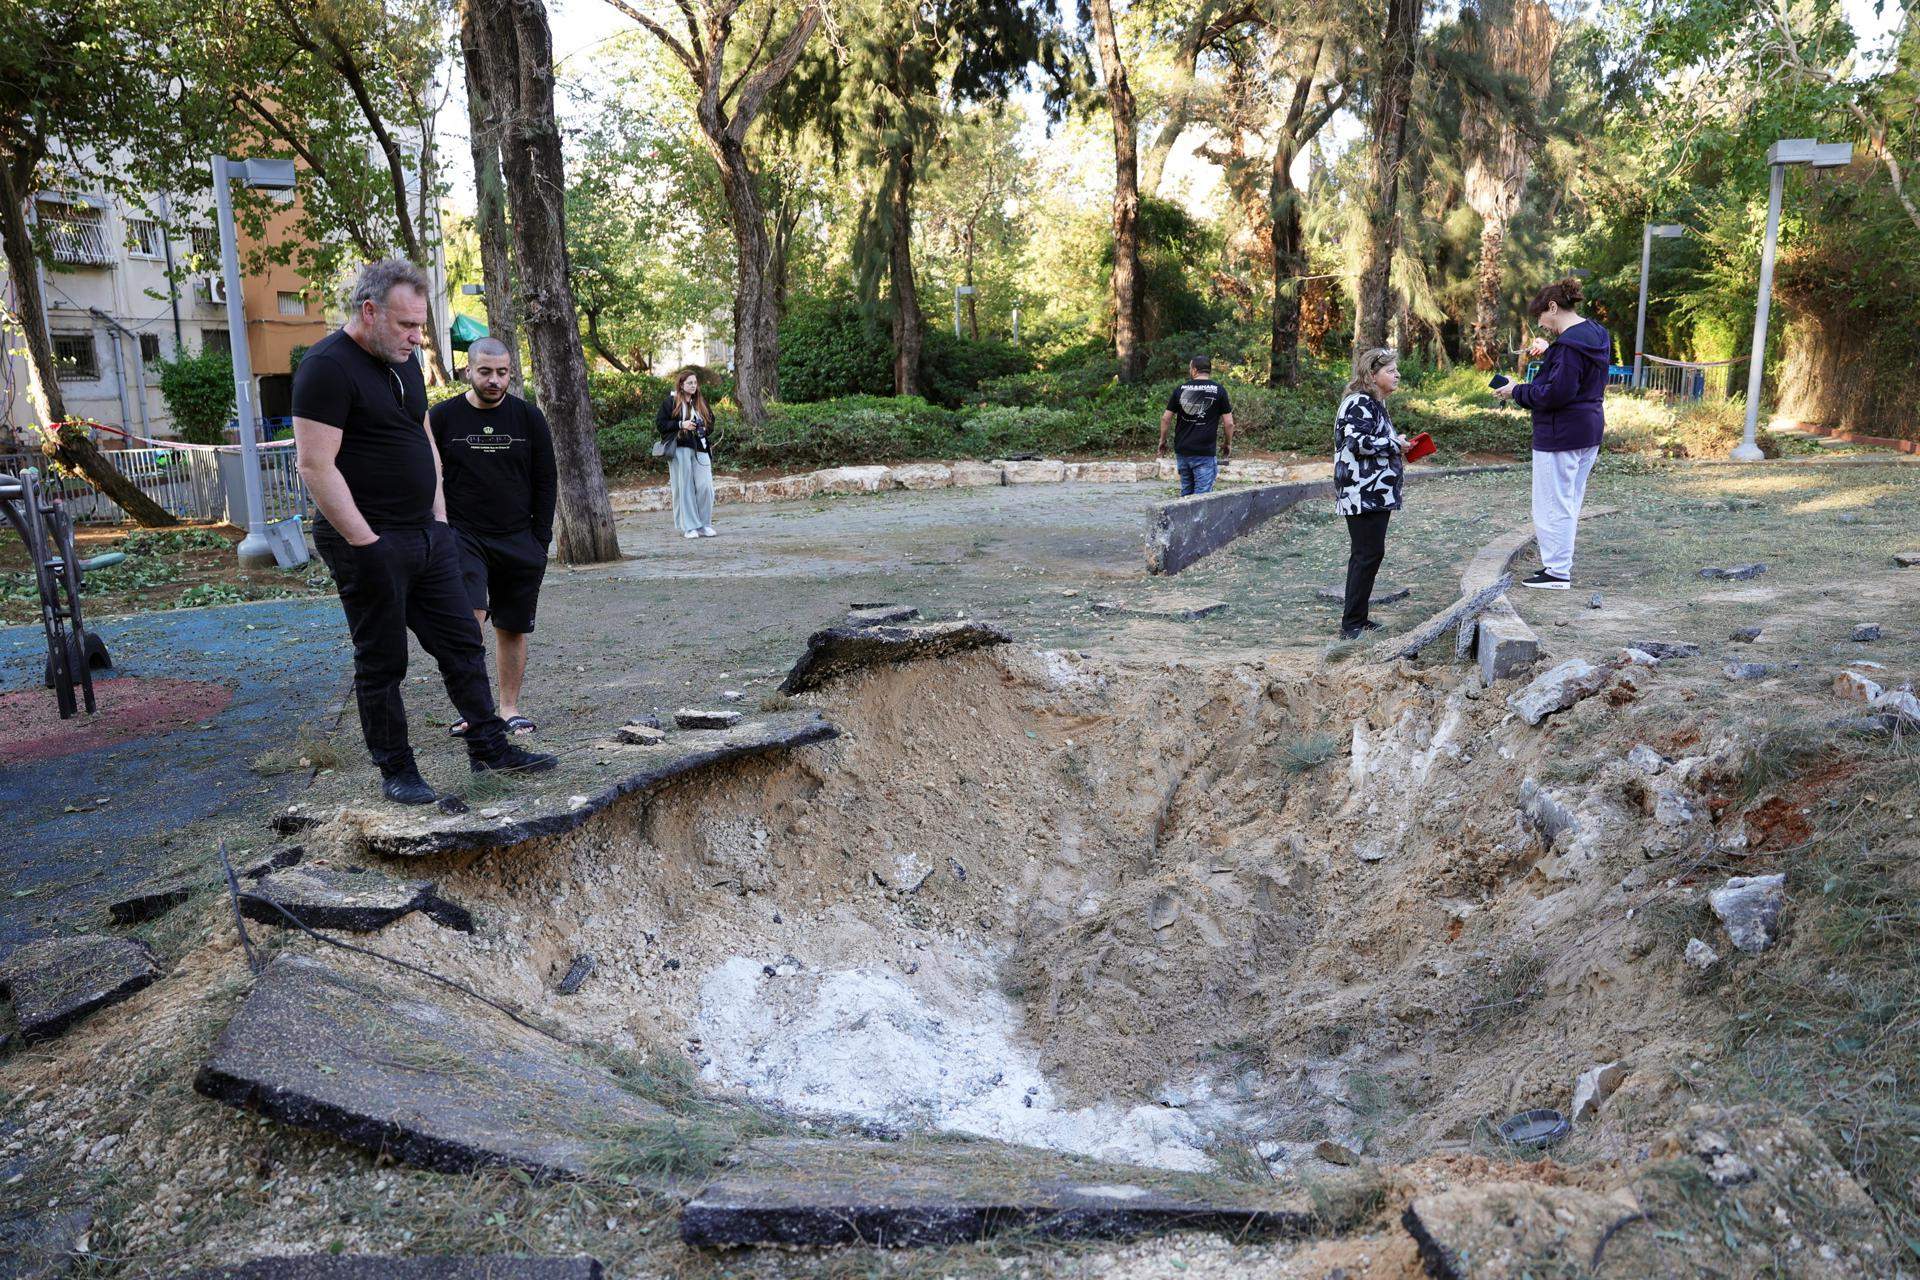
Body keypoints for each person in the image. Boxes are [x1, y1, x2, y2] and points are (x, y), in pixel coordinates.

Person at [293, 260, 556, 806]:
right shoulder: (326, 367)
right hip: (366, 541)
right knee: (383, 658)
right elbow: (316, 465)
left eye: (420, 325)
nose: (418, 337)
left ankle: (489, 746)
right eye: (408, 324)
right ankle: (398, 769)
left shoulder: (404, 361)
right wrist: (366, 543)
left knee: (461, 642)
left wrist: (438, 516)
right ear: (369, 311)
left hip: (429, 534)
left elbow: (422, 437)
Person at [429, 336, 557, 739]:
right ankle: (476, 710)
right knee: (468, 623)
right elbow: (429, 476)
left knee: (512, 627)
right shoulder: (442, 417)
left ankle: (508, 709)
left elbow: (546, 480)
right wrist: (440, 528)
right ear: (468, 371)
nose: (494, 380)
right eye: (485, 372)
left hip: (519, 538)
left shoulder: (529, 418)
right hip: (463, 536)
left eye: (502, 373)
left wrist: (540, 540)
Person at [1492, 277, 1611, 589]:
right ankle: (1559, 567)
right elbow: (1572, 378)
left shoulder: (1569, 346)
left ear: (1554, 307)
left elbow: (1554, 394)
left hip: (1561, 433)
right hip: (1589, 428)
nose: (1541, 325)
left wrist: (1516, 391)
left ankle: (1557, 572)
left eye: (1541, 317)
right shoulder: (1595, 333)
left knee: (1552, 504)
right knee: (1568, 500)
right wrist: (1551, 353)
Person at [1334, 347, 1408, 640]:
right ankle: (1351, 624)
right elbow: (1357, 442)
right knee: (1366, 554)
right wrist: (1394, 445)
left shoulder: (1375, 403)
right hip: (1362, 491)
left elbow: (1372, 439)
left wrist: (1397, 443)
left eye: (1395, 369)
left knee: (1370, 554)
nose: (1397, 374)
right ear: (1372, 375)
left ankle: (1358, 619)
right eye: (1390, 370)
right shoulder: (1359, 402)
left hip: (1374, 491)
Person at [1157, 356, 1235, 497]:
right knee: (1202, 498)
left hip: (1183, 451)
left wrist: (1162, 441)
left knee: (1186, 493)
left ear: (1194, 370)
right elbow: (1229, 423)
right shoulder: (1219, 390)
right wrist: (1227, 444)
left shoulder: (1180, 389)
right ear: (1209, 370)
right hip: (1204, 452)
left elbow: (1165, 419)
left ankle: (1183, 519)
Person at [657, 368, 716, 539]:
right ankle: (690, 526)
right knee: (685, 488)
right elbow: (661, 424)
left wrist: (703, 427)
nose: (693, 386)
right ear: (681, 385)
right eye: (689, 383)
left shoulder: (700, 402)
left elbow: (711, 422)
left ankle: (704, 524)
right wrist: (681, 425)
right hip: (680, 447)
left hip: (700, 448)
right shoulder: (671, 402)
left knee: (706, 486)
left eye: (695, 383)